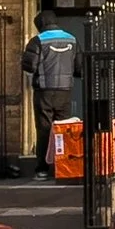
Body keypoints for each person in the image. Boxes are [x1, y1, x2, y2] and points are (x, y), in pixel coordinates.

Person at [24, 10, 80, 177]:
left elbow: (29, 66)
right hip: (65, 91)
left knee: (44, 129)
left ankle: (42, 169)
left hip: (44, 91)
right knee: (64, 129)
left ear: (40, 25)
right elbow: (79, 68)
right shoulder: (72, 39)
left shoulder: (38, 41)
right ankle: (64, 167)